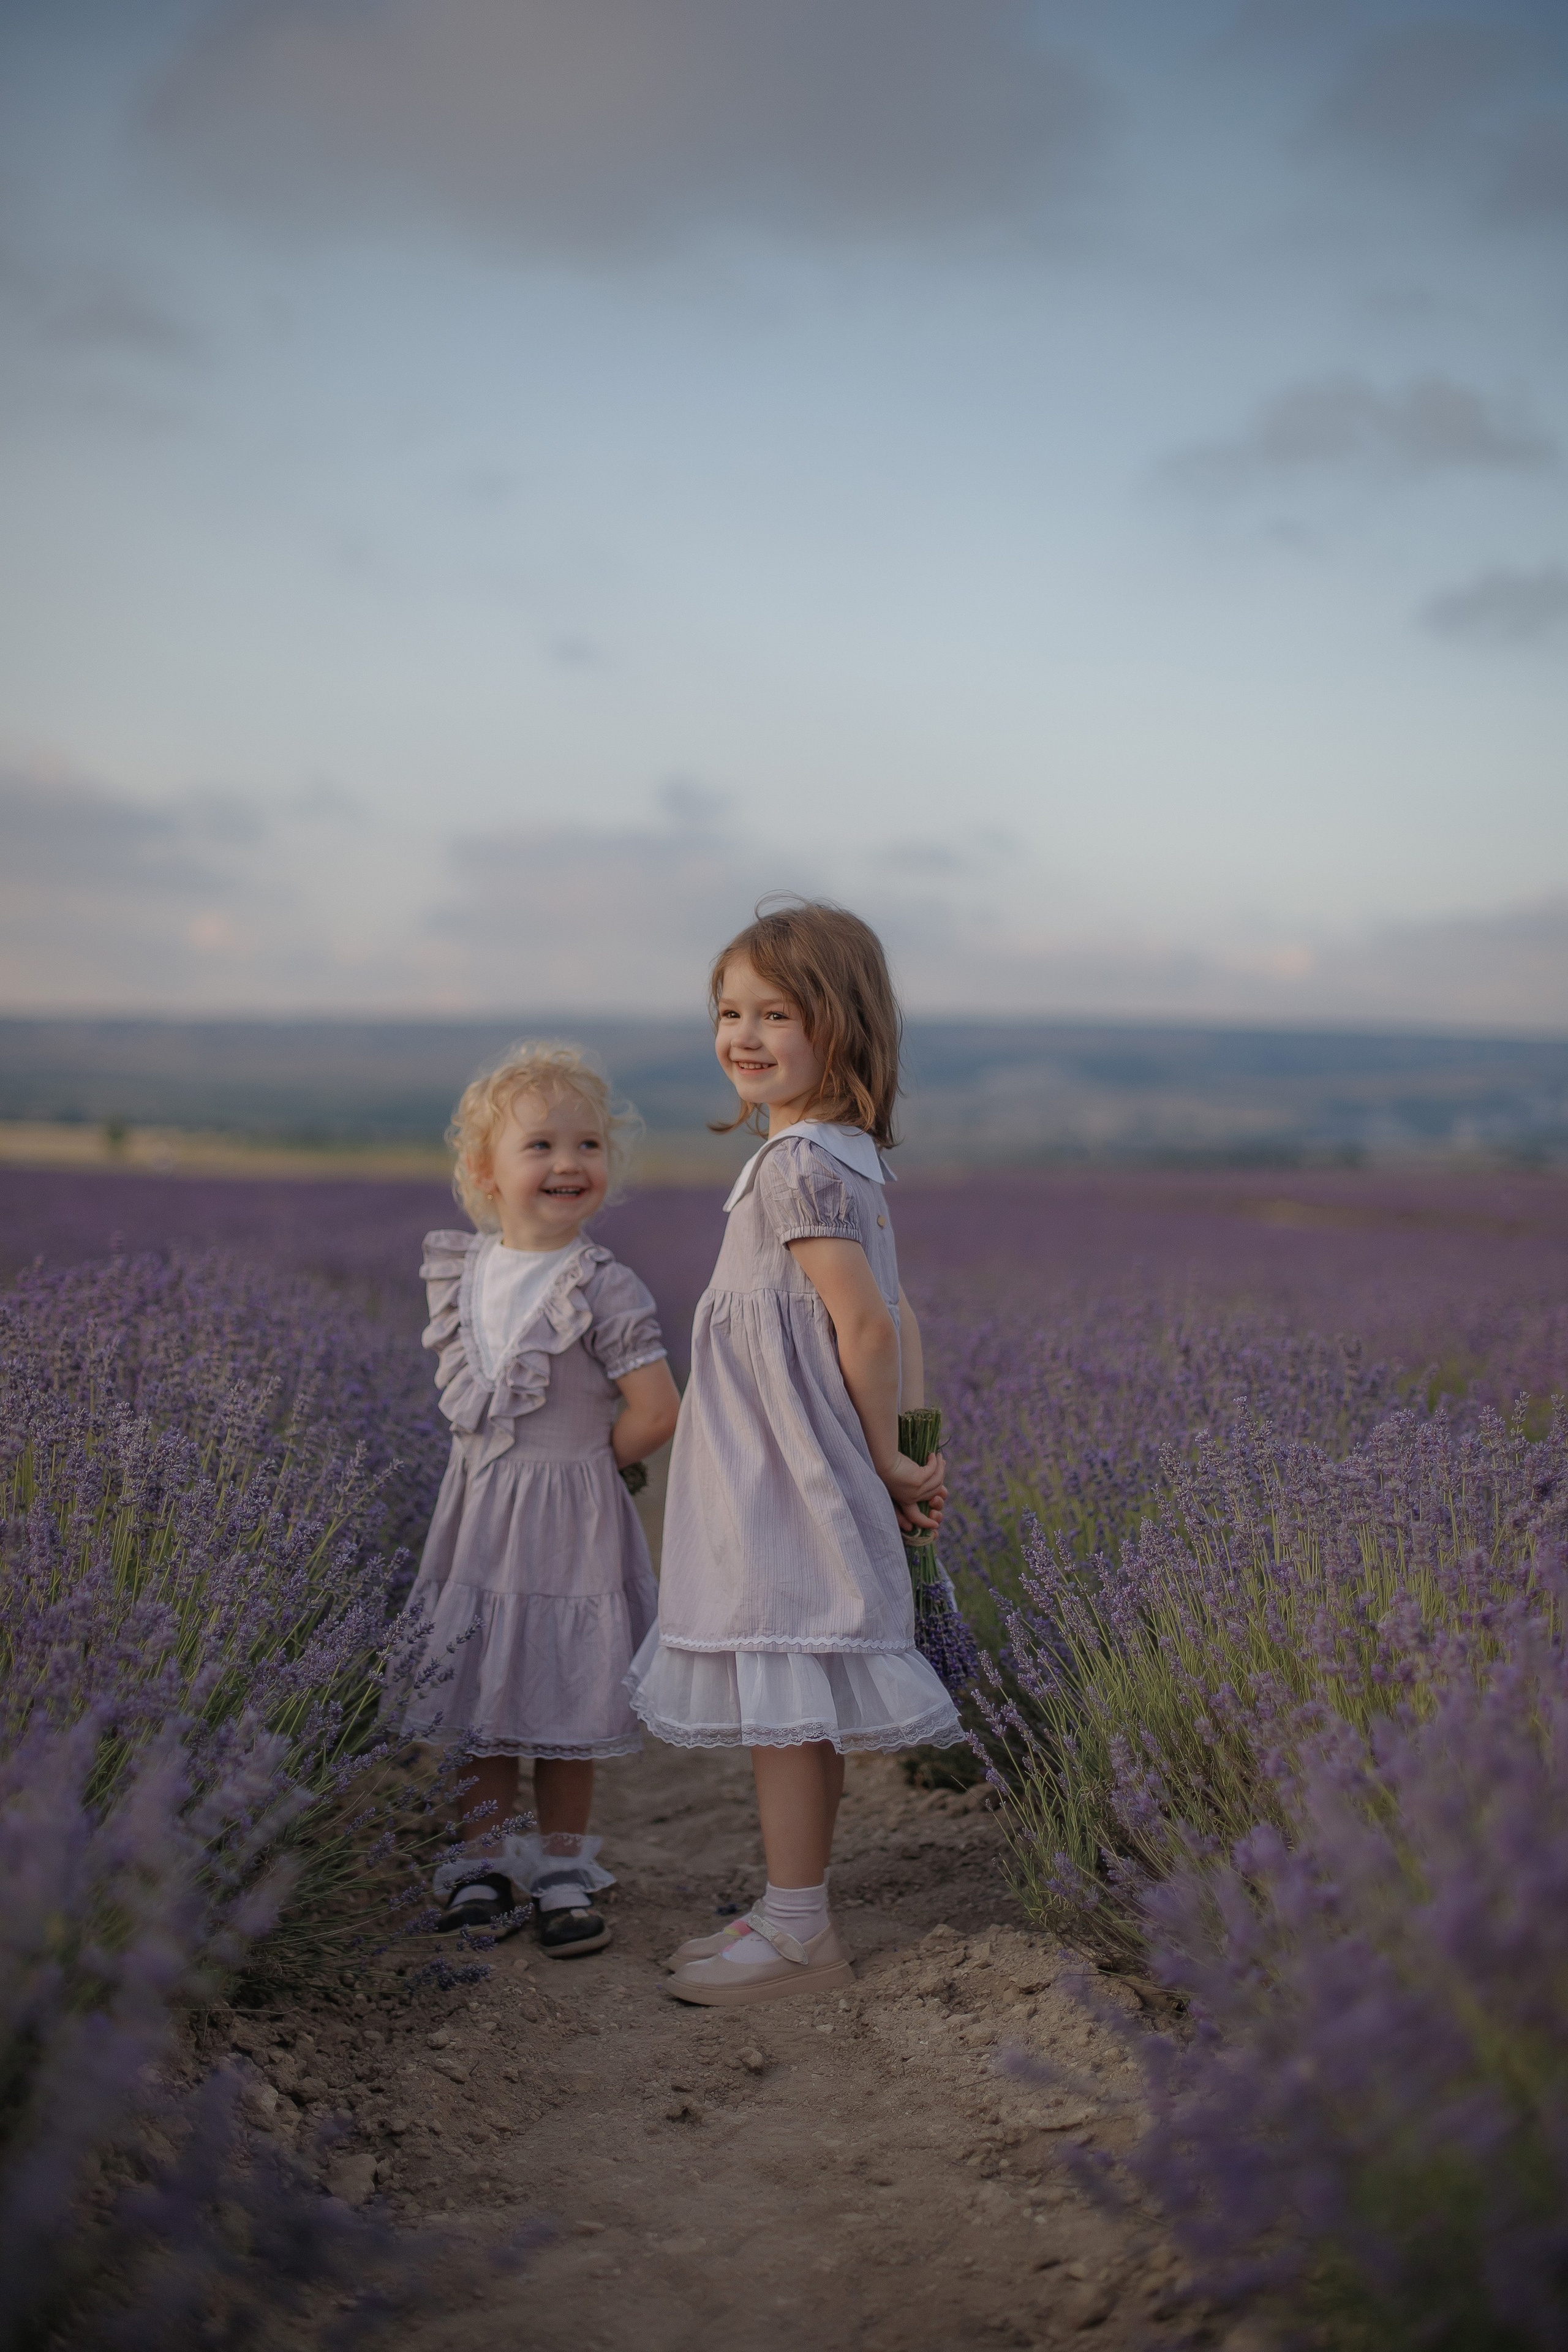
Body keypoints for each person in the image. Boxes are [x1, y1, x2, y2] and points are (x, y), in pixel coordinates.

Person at [627, 900, 964, 2005]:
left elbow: (867, 1326)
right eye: (730, 1011)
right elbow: (901, 1322)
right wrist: (912, 1449)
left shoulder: (793, 1170)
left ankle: (798, 1935)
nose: (745, 1035)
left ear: (843, 1026)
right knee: (798, 1702)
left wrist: (884, 1461)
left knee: (783, 1698)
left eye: (778, 1013)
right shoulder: (842, 1158)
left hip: (789, 1474)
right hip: (805, 1457)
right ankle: (792, 1910)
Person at [402, 1042, 680, 1957]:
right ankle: (480, 1862)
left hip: (567, 1525)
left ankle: (562, 1869)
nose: (569, 1164)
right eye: (542, 1146)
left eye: (589, 1146)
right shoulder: (465, 1273)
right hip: (479, 1524)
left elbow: (657, 1409)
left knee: (564, 1710)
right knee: (483, 1702)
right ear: (484, 1172)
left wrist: (595, 1463)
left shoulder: (604, 1287)